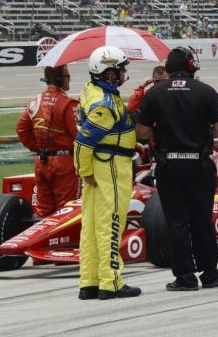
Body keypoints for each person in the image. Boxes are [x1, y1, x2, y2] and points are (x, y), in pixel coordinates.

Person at [135, 47, 218, 291]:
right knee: (202, 221)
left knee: (176, 222)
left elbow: (141, 131)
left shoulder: (155, 93)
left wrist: (163, 131)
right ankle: (210, 275)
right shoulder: (205, 90)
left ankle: (185, 277)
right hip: (199, 164)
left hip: (170, 165)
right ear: (190, 65)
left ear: (167, 68)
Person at [74, 46, 140, 300]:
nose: (124, 73)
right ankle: (112, 282)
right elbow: (82, 142)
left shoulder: (93, 91)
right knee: (111, 224)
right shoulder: (104, 105)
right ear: (108, 72)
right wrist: (85, 172)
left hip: (103, 163)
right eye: (120, 69)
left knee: (90, 228)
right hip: (109, 166)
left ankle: (89, 282)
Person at [15, 64, 78, 217]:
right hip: (64, 164)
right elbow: (79, 135)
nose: (70, 79)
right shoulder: (68, 103)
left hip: (41, 161)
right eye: (67, 76)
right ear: (58, 79)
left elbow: (21, 128)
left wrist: (38, 148)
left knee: (43, 211)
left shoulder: (34, 101)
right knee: (67, 210)